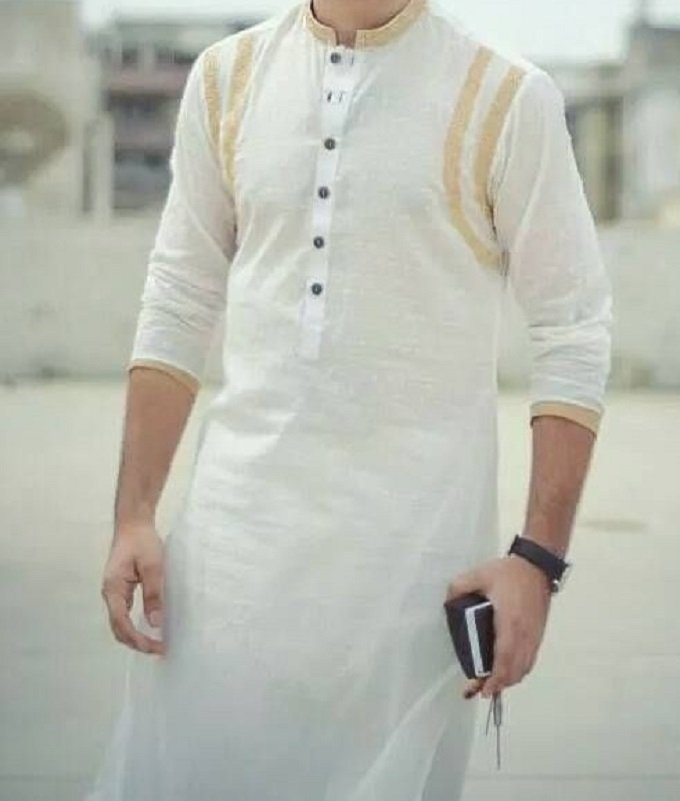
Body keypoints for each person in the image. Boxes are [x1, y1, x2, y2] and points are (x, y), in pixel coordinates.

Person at [86, 0, 612, 798]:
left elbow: (572, 327)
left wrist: (537, 561)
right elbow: (179, 295)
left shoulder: (506, 95)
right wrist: (133, 514)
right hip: (227, 567)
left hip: (410, 582)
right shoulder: (228, 78)